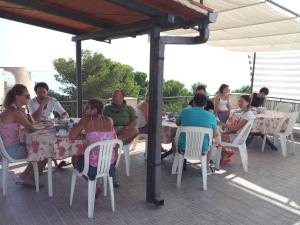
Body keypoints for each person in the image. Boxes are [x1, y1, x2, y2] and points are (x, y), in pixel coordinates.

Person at [0, 84, 46, 187]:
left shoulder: (11, 109)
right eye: (27, 96)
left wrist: (26, 116)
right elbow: (32, 127)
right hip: (11, 150)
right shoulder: (15, 112)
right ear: (18, 96)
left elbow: (28, 126)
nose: (29, 98)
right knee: (44, 151)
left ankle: (25, 177)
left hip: (5, 148)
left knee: (39, 149)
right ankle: (29, 178)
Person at [69, 99, 118, 195]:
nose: (84, 109)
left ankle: (94, 183)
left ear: (95, 110)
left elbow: (72, 136)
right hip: (110, 165)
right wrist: (88, 135)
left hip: (93, 167)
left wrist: (85, 135)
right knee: (90, 153)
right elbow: (113, 138)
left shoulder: (86, 120)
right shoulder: (109, 120)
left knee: (75, 158)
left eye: (87, 108)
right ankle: (98, 181)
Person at [177, 93, 219, 174]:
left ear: (193, 102)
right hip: (203, 149)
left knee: (175, 139)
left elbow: (178, 123)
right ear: (205, 104)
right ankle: (206, 168)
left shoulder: (184, 111)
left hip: (183, 148)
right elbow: (216, 134)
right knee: (211, 142)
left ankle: (179, 164)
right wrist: (209, 140)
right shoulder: (211, 116)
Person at [220, 95, 255, 165]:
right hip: (238, 135)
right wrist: (226, 132)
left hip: (237, 138)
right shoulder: (245, 112)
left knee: (214, 137)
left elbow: (236, 128)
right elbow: (236, 129)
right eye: (239, 101)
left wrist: (221, 123)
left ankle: (225, 153)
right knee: (217, 135)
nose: (239, 103)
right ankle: (225, 154)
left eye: (242, 101)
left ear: (247, 103)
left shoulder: (247, 115)